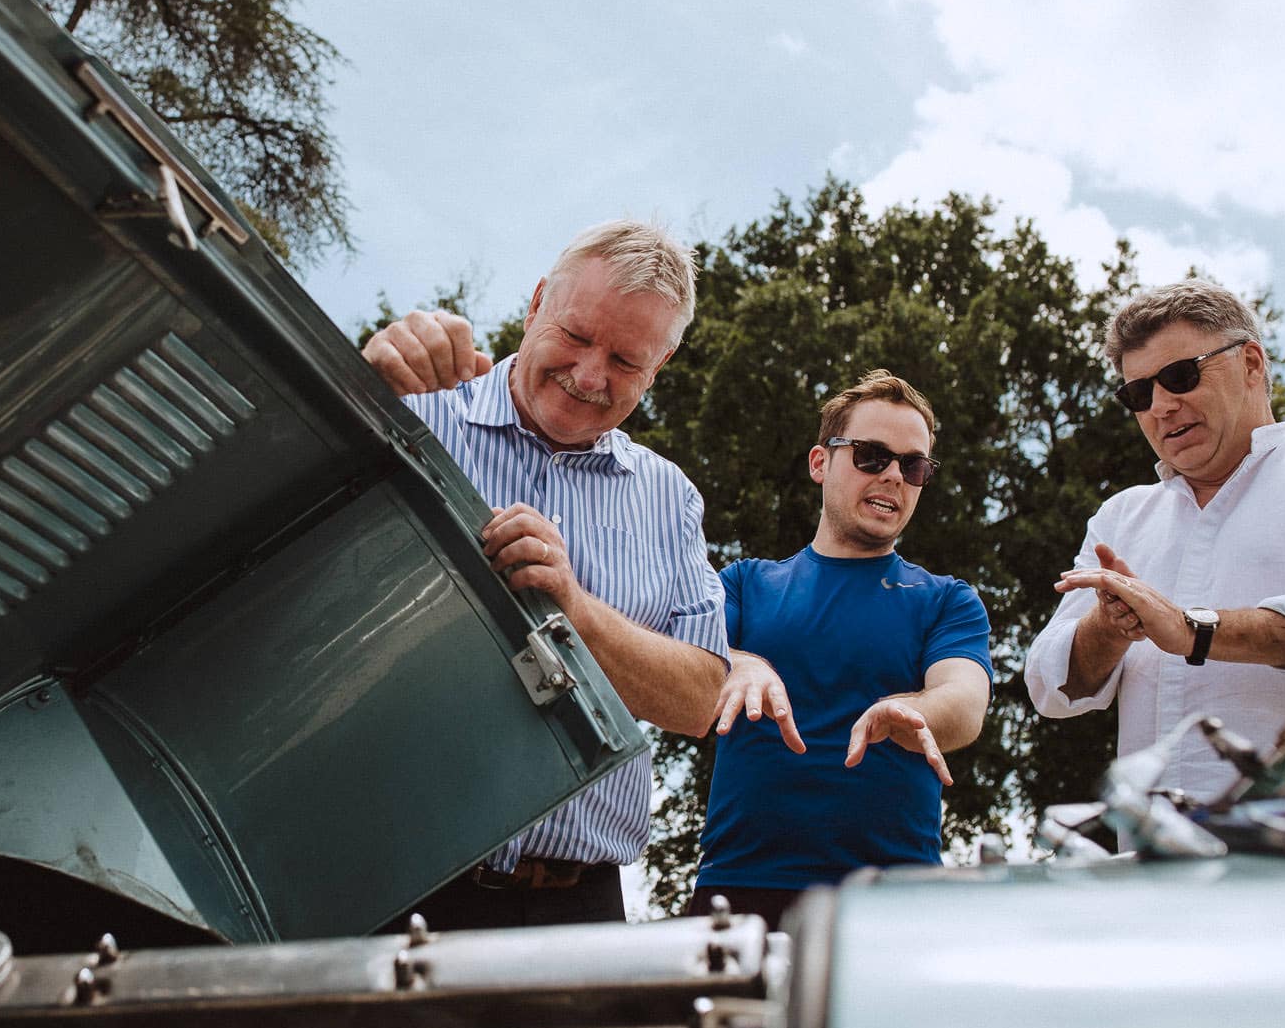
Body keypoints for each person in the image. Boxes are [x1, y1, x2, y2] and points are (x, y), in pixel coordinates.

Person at [361, 219, 730, 928]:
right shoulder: (411, 408)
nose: (590, 376)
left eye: (627, 361)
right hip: (389, 884)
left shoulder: (669, 495)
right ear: (535, 305)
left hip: (578, 907)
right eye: (577, 335)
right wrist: (349, 386)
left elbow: (700, 700)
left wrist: (574, 610)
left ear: (663, 365)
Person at [1025, 281, 1285, 798]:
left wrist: (1194, 631)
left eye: (1180, 376)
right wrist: (1109, 628)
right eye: (1139, 394)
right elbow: (1052, 686)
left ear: (1251, 364)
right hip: (1156, 857)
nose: (1160, 406)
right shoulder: (1121, 517)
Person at [690, 371, 993, 930]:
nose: (895, 476)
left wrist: (913, 712)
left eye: (914, 465)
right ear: (820, 462)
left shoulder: (948, 600)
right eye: (873, 456)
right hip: (743, 889)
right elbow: (687, 673)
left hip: (897, 898)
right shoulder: (743, 585)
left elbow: (964, 701)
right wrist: (739, 660)